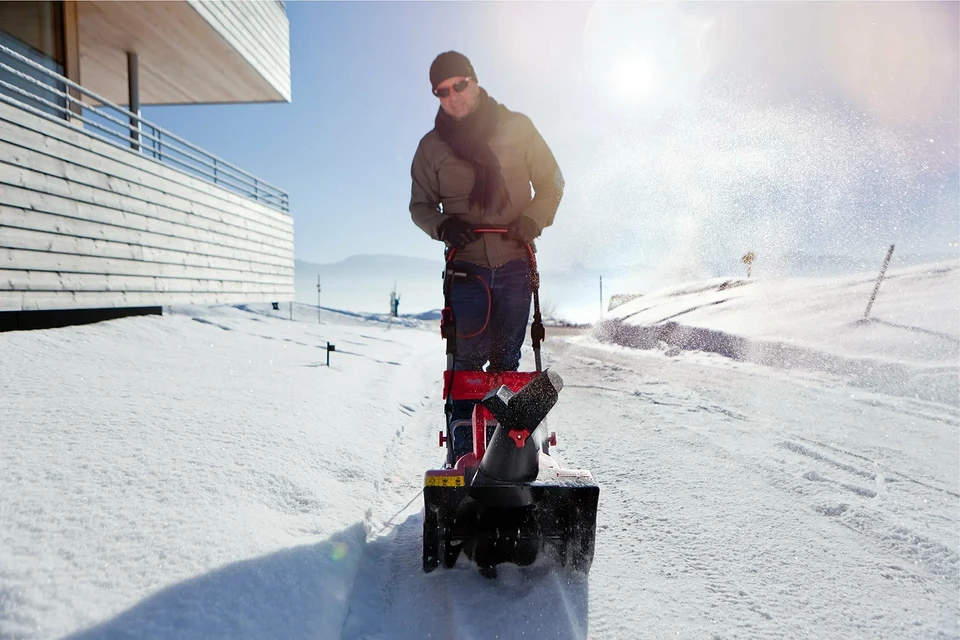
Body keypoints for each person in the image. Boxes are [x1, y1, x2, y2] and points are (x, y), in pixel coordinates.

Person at [409, 51, 564, 375]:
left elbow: (552, 183)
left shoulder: (518, 128)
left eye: (459, 84)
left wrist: (532, 220)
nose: (453, 96)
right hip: (466, 271)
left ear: (475, 82)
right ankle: (465, 426)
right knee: (466, 364)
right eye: (442, 91)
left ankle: (504, 428)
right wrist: (444, 226)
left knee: (507, 362)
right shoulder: (431, 147)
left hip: (515, 264)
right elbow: (420, 206)